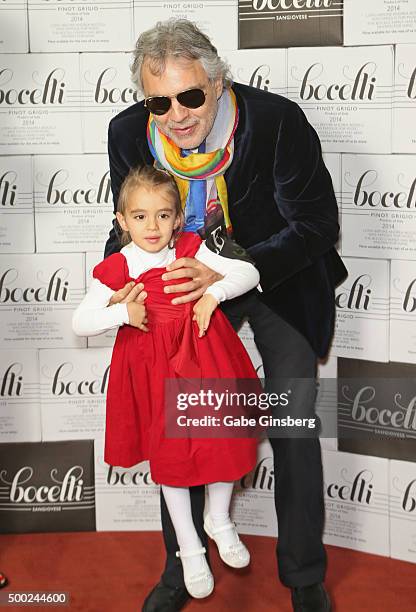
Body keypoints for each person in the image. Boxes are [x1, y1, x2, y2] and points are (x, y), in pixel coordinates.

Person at [104, 19, 347, 612]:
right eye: (159, 101)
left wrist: (236, 267)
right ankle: (181, 566)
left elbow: (318, 225)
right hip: (182, 286)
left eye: (191, 96)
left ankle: (303, 573)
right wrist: (123, 284)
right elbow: (129, 222)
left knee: (290, 422)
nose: (177, 115)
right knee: (178, 421)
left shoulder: (275, 121)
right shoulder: (130, 132)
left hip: (277, 279)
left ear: (218, 83)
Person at [72, 165, 262, 599]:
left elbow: (248, 273)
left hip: (204, 359)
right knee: (172, 461)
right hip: (154, 373)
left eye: (162, 215)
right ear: (122, 221)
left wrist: (213, 293)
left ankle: (220, 519)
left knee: (223, 439)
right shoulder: (119, 267)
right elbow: (81, 321)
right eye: (139, 216)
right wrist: (123, 313)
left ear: (179, 218)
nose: (152, 226)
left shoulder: (191, 251)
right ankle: (190, 549)